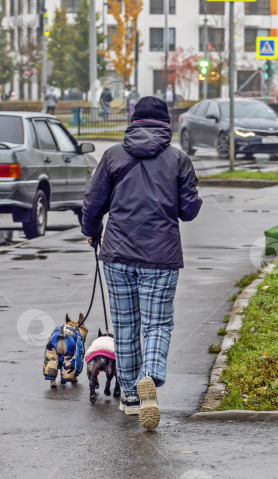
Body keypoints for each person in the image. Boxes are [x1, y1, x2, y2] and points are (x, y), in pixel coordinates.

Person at [81, 97, 202, 430]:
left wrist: (92, 232)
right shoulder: (178, 159)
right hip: (161, 257)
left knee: (125, 328)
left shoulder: (112, 156)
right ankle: (150, 377)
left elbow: (92, 203)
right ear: (167, 124)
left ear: (133, 122)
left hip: (118, 255)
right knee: (157, 324)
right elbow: (189, 211)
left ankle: (132, 398)